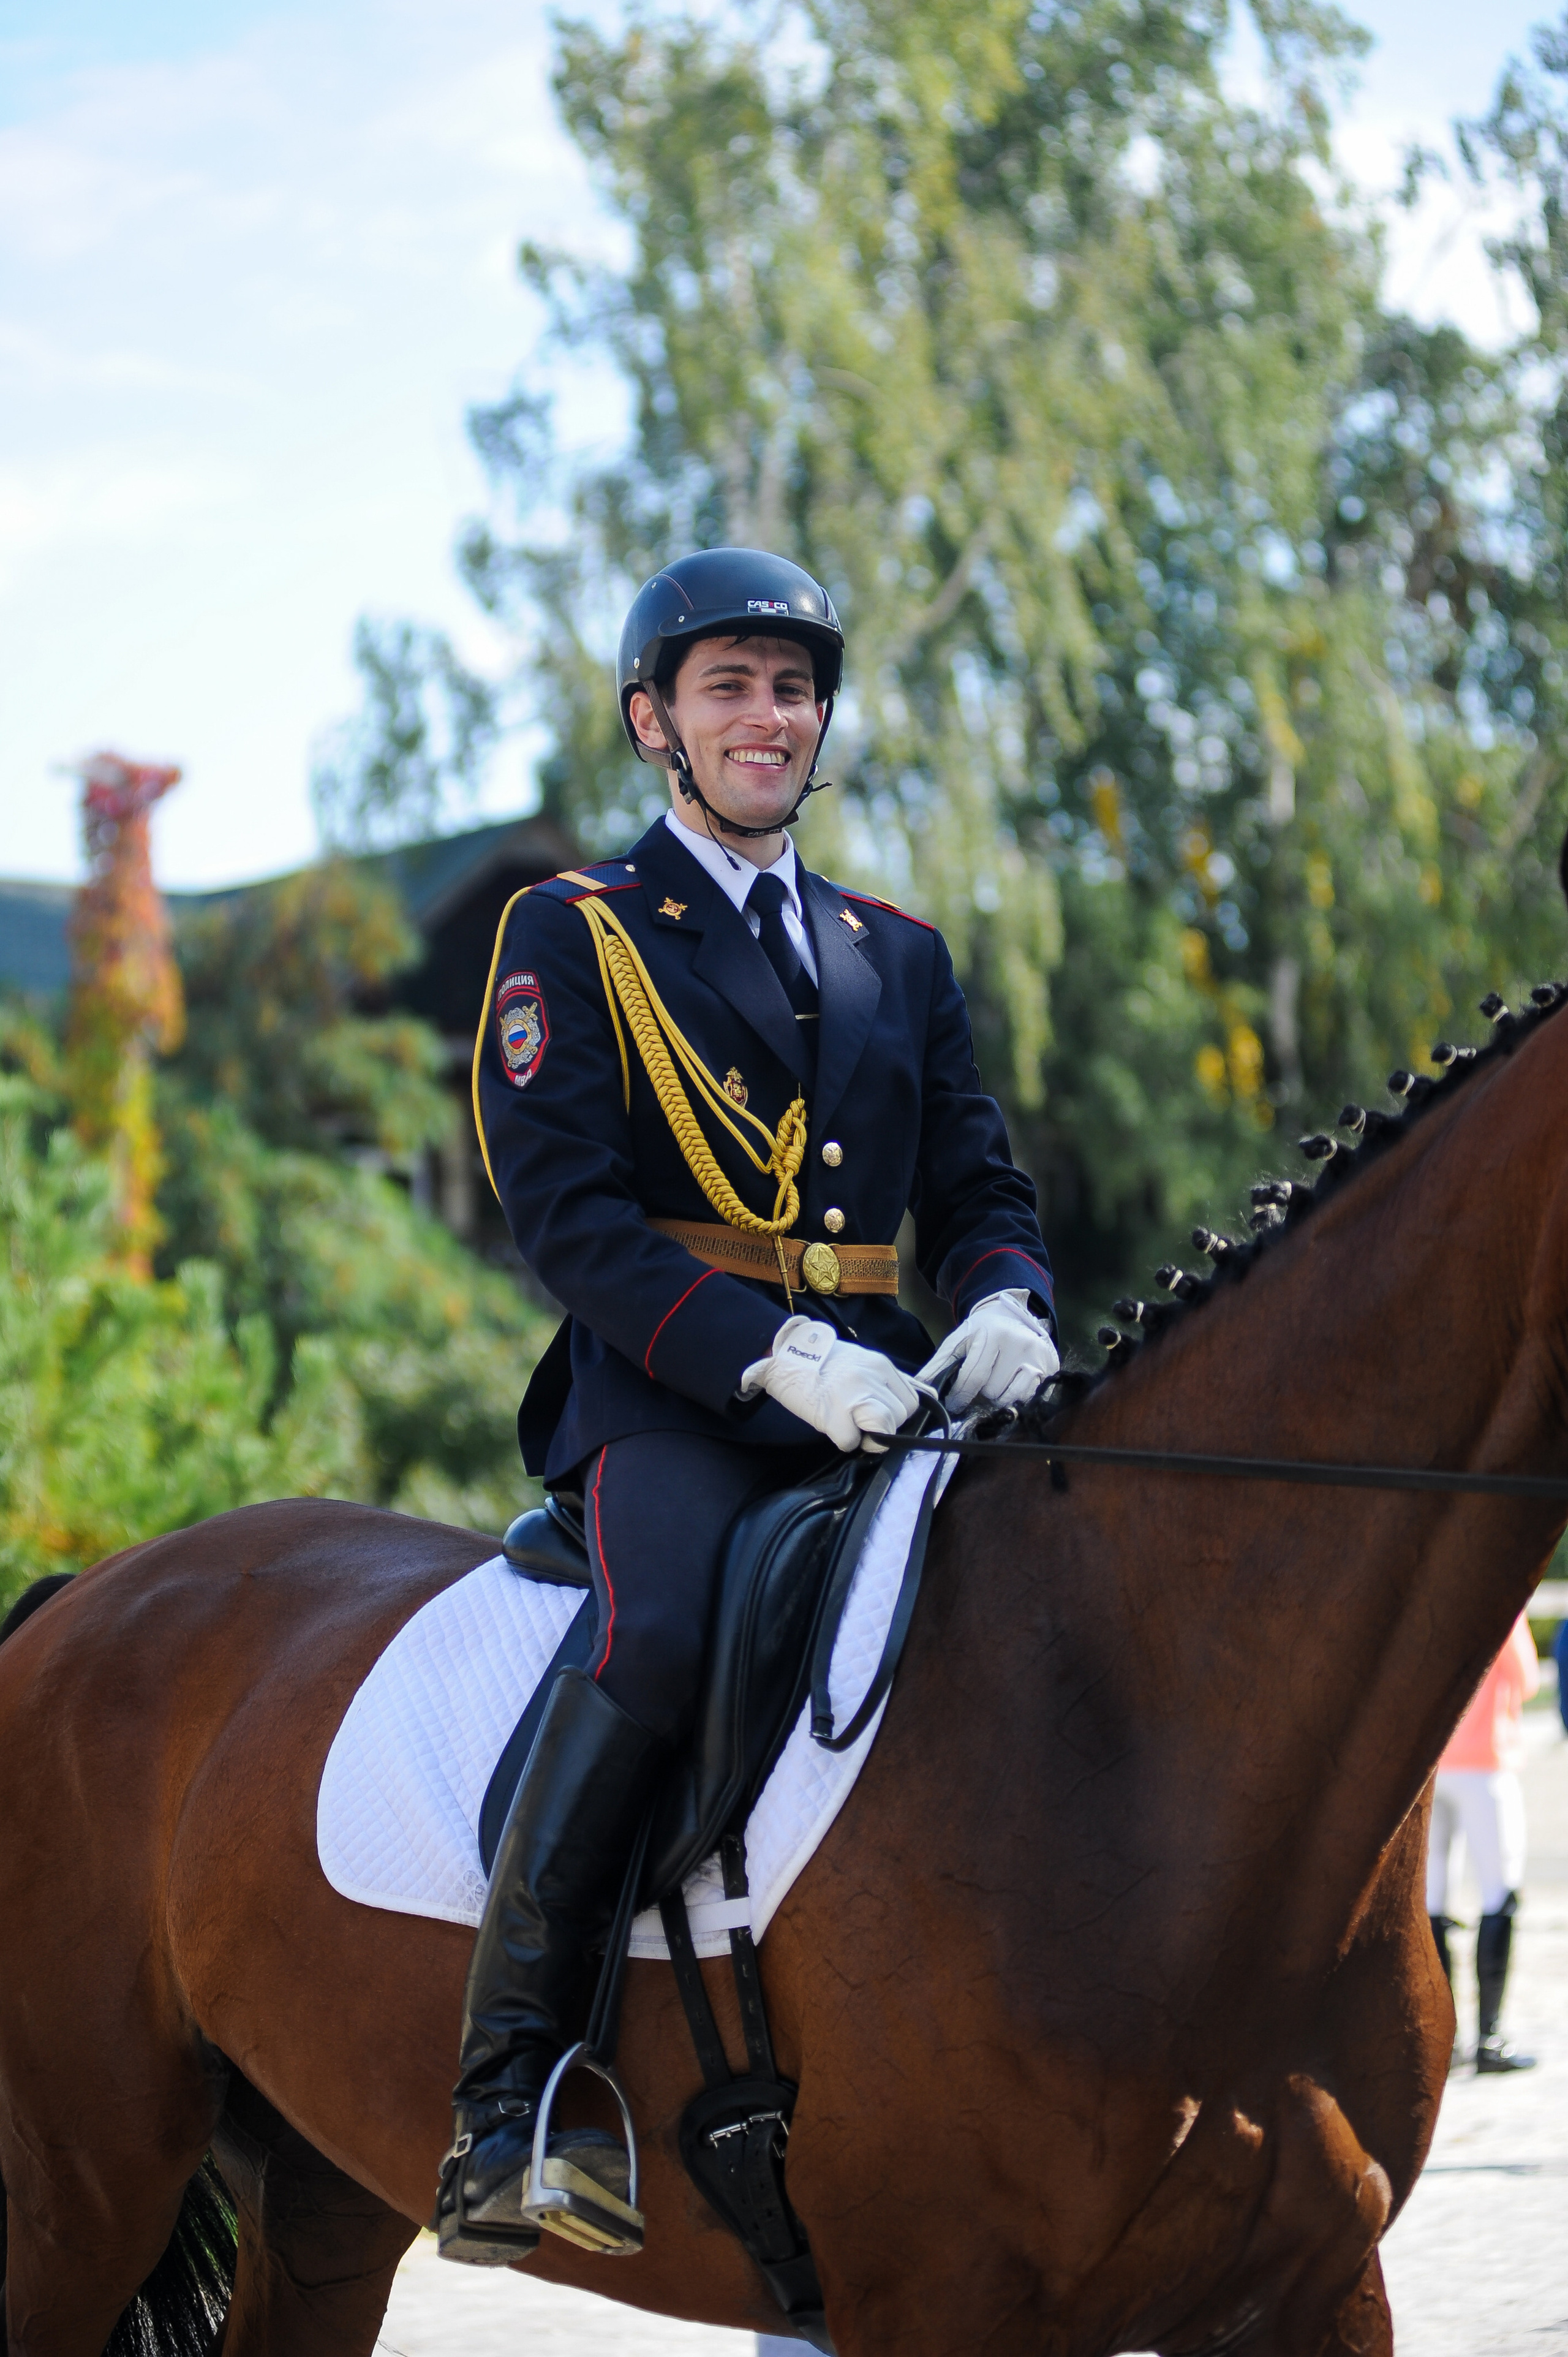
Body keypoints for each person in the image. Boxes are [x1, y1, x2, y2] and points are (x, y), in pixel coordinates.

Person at [437, 547, 1058, 2262]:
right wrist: (765, 1352)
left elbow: (978, 1180)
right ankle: (507, 2092)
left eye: (792, 687)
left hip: (891, 1384)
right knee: (657, 1630)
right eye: (727, 685)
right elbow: (567, 1215)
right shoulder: (575, 929)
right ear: (655, 720)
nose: (767, 715)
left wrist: (1006, 1295)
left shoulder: (896, 951)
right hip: (675, 1397)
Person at [1427, 1609, 1540, 2073]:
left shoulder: (1432, 1605)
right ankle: (1489, 2038)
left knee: (1433, 1900)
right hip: (1485, 1764)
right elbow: (1527, 1679)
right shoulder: (1504, 1602)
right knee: (1499, 1893)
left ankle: (1443, 2039)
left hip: (1433, 1766)